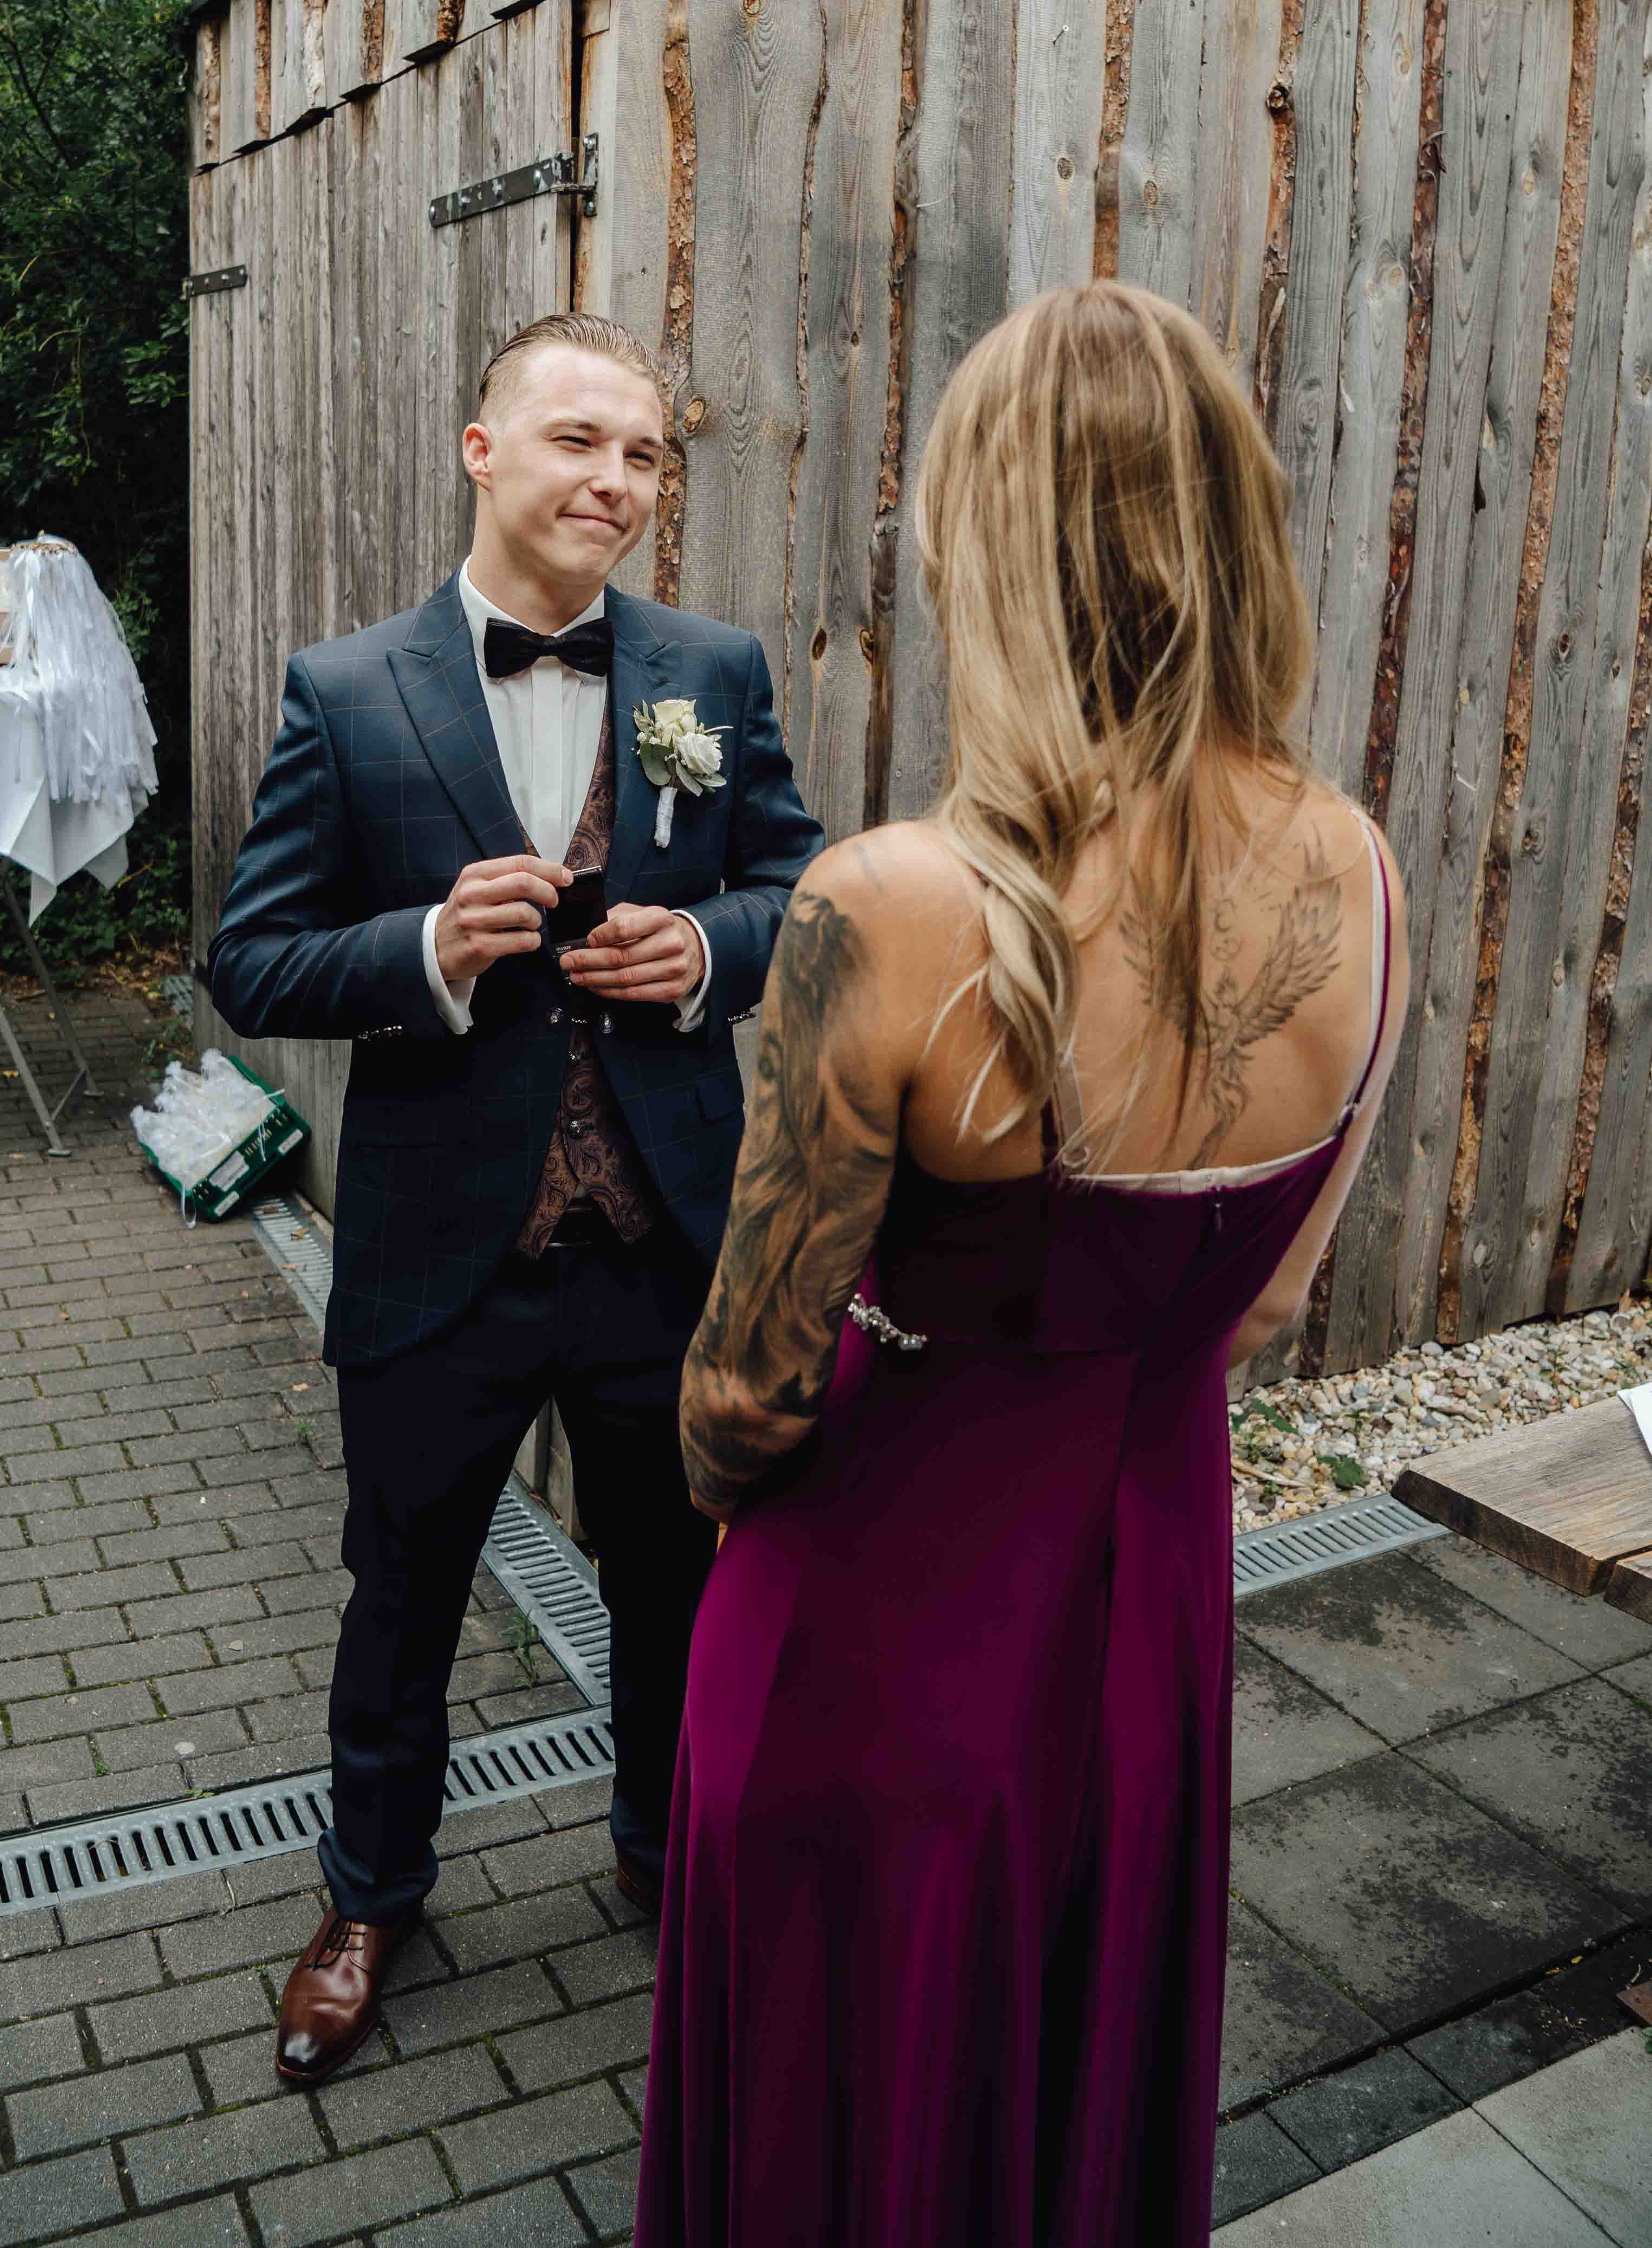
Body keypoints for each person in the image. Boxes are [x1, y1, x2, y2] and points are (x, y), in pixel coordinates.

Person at [637, 282, 1409, 2248]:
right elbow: (1267, 1303)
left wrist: (734, 1484)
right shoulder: (1361, 866)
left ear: (987, 552)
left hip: (874, 1621)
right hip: (1141, 1604)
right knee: (1062, 2075)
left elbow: (743, 1391)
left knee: (840, 2108)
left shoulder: (889, 905)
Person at [206, 309, 822, 2091]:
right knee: (399, 1594)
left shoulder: (710, 669)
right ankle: (365, 1900)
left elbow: (794, 883)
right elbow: (255, 956)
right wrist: (420, 950)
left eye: (642, 454)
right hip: (438, 1254)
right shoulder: (350, 689)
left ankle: (664, 1851)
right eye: (577, 442)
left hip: (661, 1242)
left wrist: (703, 942)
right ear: (482, 451)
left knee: (673, 1592)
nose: (616, 484)